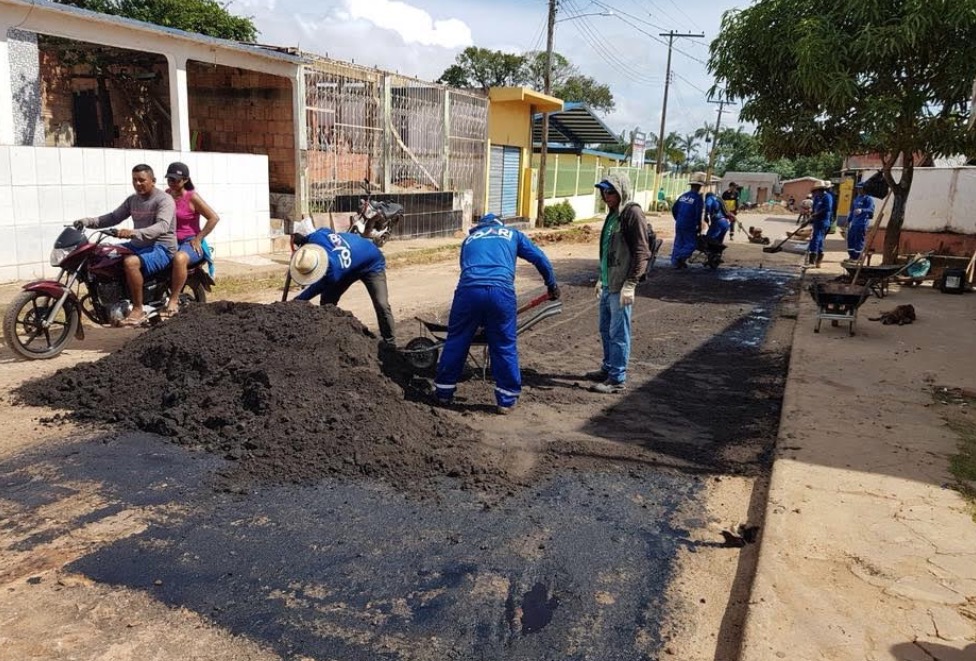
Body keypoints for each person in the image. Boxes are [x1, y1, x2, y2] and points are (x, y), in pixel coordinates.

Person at [433, 213, 559, 414]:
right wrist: (551, 284)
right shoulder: (512, 234)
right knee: (504, 345)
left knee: (456, 341)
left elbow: (465, 268)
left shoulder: (469, 240)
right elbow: (539, 258)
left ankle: (443, 392)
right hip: (501, 293)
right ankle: (506, 399)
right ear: (500, 224)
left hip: (468, 292)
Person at [74, 163, 176, 326]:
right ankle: (110, 301)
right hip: (138, 244)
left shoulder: (164, 200)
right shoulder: (132, 200)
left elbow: (162, 226)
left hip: (161, 247)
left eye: (142, 180)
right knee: (103, 254)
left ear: (153, 180)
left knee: (130, 262)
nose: (138, 184)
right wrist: (87, 221)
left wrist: (133, 232)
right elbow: (113, 217)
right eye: (134, 180)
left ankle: (137, 308)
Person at [587, 173, 651, 394]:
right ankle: (608, 368)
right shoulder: (612, 216)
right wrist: (600, 278)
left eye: (611, 191)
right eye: (604, 191)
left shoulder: (632, 213)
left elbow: (642, 252)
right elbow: (606, 251)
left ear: (622, 190)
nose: (607, 196)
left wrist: (631, 283)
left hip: (620, 285)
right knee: (605, 330)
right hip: (608, 283)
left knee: (619, 332)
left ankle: (617, 378)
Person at [289, 227, 396, 347]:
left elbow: (315, 289)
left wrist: (296, 301)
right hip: (348, 266)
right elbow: (326, 230)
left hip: (371, 262)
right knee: (327, 303)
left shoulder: (333, 272)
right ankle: (330, 338)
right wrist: (302, 240)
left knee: (381, 303)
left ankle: (390, 343)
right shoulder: (316, 237)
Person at [162, 162, 219, 317]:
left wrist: (199, 238)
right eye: (170, 179)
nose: (172, 183)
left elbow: (213, 217)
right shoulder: (166, 195)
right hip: (170, 241)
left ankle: (173, 300)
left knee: (180, 259)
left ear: (185, 180)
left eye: (176, 180)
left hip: (189, 243)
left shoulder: (192, 197)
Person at [670, 172, 706, 269]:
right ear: (699, 186)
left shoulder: (683, 196)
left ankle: (675, 262)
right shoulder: (698, 199)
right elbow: (698, 214)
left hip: (679, 223)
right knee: (692, 244)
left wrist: (678, 219)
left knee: (679, 242)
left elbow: (674, 209)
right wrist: (698, 226)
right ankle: (679, 258)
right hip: (689, 225)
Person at [806, 180, 833, 268]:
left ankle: (813, 261)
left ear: (821, 189)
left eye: (817, 191)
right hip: (816, 221)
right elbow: (814, 209)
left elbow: (827, 208)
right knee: (818, 239)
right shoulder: (817, 198)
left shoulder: (827, 197)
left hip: (823, 221)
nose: (816, 193)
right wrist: (812, 215)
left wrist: (817, 214)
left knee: (816, 239)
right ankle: (817, 261)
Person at [846, 181, 875, 260]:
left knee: (859, 241)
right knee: (850, 239)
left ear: (864, 189)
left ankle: (858, 257)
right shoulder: (857, 198)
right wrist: (849, 220)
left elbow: (870, 210)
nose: (858, 190)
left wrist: (862, 210)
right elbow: (852, 210)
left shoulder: (869, 199)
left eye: (860, 188)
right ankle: (852, 256)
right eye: (857, 188)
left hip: (862, 224)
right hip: (854, 223)